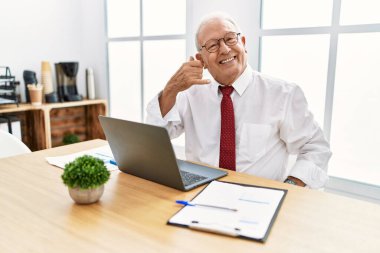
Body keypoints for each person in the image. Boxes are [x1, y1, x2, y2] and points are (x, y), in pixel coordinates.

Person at [146, 12, 332, 189]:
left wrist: (291, 186)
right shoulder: (189, 94)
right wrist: (171, 89)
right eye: (212, 45)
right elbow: (154, 140)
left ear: (243, 43)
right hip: (199, 194)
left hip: (260, 198)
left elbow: (316, 147)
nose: (225, 49)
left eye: (230, 39)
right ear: (201, 58)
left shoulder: (283, 94)